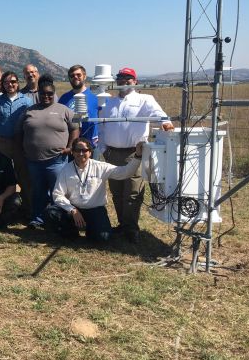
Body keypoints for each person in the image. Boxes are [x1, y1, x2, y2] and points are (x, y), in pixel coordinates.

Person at [98, 67, 174, 242]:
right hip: (112, 154)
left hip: (135, 153)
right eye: (120, 78)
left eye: (128, 78)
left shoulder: (144, 99)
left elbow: (157, 113)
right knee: (117, 192)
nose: (124, 80)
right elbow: (101, 127)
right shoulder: (108, 103)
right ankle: (122, 224)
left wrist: (166, 122)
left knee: (132, 192)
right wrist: (103, 149)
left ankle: (131, 228)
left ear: (135, 81)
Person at [46, 138, 144, 241]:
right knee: (51, 213)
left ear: (90, 152)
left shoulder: (100, 167)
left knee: (103, 238)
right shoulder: (66, 170)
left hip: (95, 210)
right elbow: (57, 194)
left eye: (84, 150)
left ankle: (90, 228)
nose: (80, 153)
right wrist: (72, 210)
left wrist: (137, 155)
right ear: (72, 152)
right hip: (74, 210)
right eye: (77, 150)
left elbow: (125, 172)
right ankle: (72, 232)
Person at [16, 78, 79, 228]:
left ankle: (57, 220)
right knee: (37, 191)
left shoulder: (64, 110)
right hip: (33, 160)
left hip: (57, 160)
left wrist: (70, 147)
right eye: (43, 94)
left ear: (54, 93)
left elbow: (75, 128)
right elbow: (18, 131)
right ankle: (37, 219)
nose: (46, 96)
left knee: (57, 192)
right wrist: (22, 148)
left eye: (50, 94)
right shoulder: (29, 111)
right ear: (38, 94)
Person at [0, 71, 34, 215]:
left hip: (21, 143)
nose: (10, 85)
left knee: (23, 176)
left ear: (18, 83)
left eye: (13, 81)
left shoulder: (26, 101)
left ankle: (28, 209)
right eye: (6, 82)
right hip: (3, 142)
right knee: (1, 174)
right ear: (3, 85)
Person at [58, 65, 99, 147]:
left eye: (78, 75)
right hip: (70, 144)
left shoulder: (96, 97)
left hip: (91, 144)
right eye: (72, 76)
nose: (75, 77)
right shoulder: (64, 98)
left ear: (85, 76)